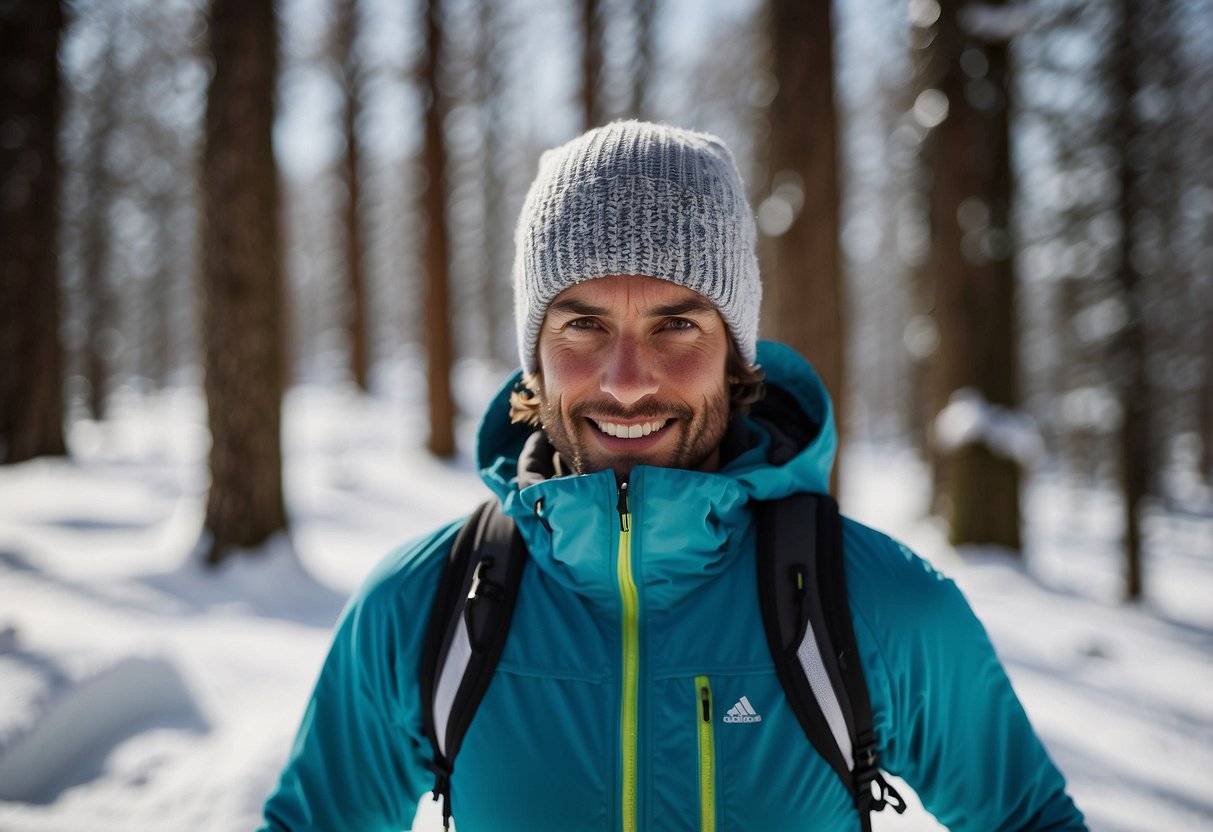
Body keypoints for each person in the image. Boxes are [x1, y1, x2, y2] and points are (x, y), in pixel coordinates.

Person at [262, 120, 1085, 831]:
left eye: (676, 325)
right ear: (533, 363)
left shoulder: (876, 608)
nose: (626, 380)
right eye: (582, 324)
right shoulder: (425, 609)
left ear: (735, 356)